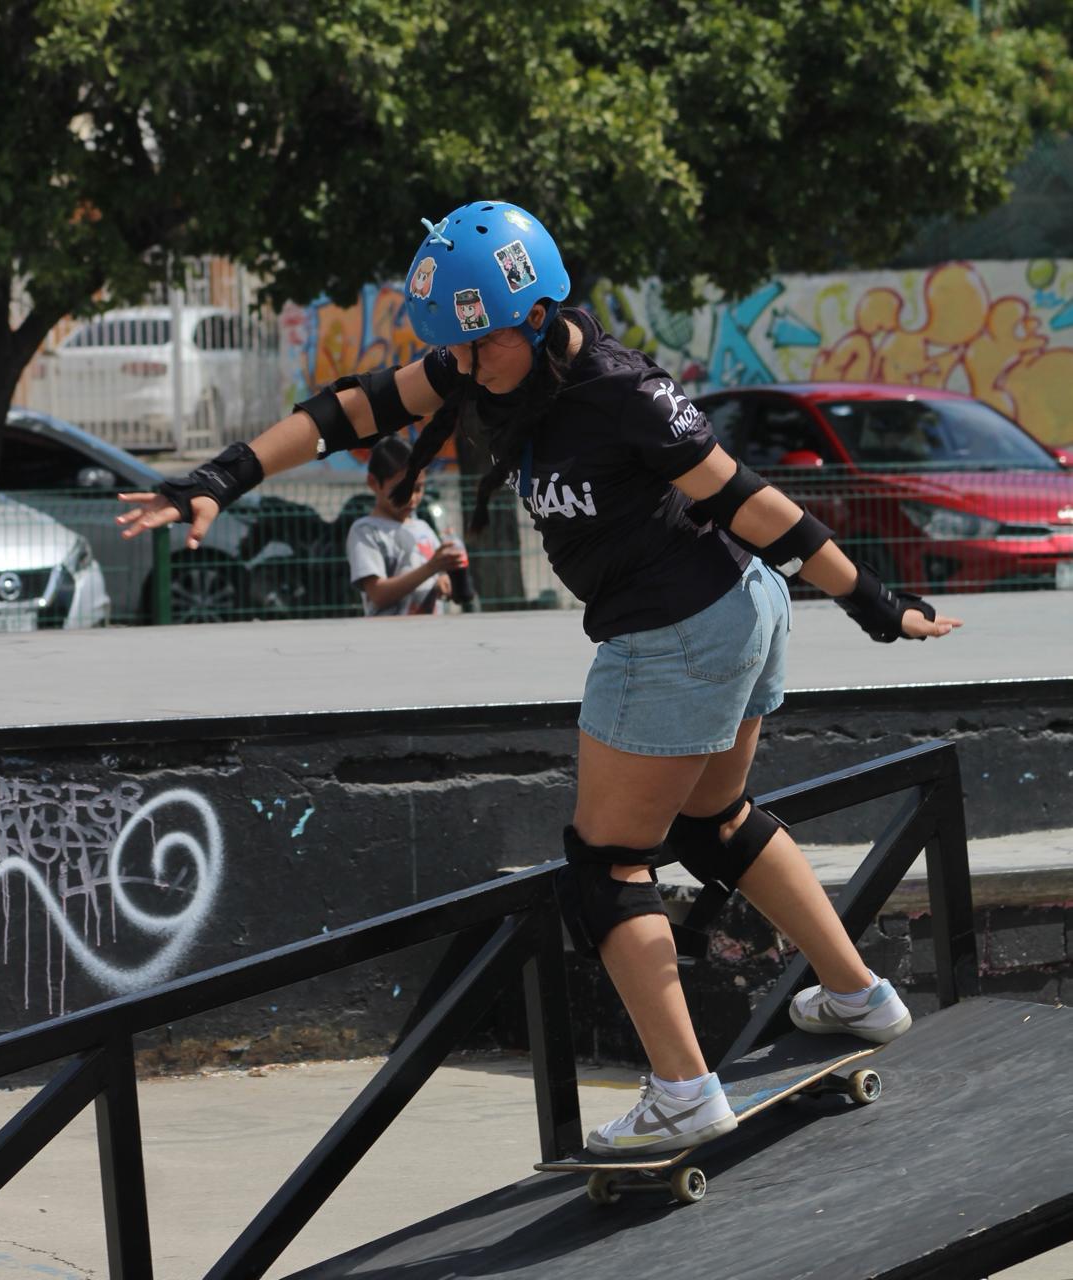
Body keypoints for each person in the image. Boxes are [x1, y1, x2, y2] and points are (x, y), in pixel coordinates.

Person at [116, 200, 962, 1156]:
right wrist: (216, 478)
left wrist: (875, 604)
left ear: (535, 315)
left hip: (683, 629)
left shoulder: (620, 391)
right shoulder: (483, 356)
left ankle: (684, 1093)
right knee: (714, 824)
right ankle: (860, 994)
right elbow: (346, 410)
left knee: (606, 868)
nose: (463, 369)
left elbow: (749, 500)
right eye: (455, 352)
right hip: (722, 616)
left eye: (478, 350)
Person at [346, 436, 466, 616]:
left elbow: (434, 575)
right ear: (373, 483)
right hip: (390, 640)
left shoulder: (424, 528)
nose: (411, 498)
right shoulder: (366, 531)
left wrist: (442, 580)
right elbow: (378, 594)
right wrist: (431, 568)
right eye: (401, 489)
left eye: (418, 489)